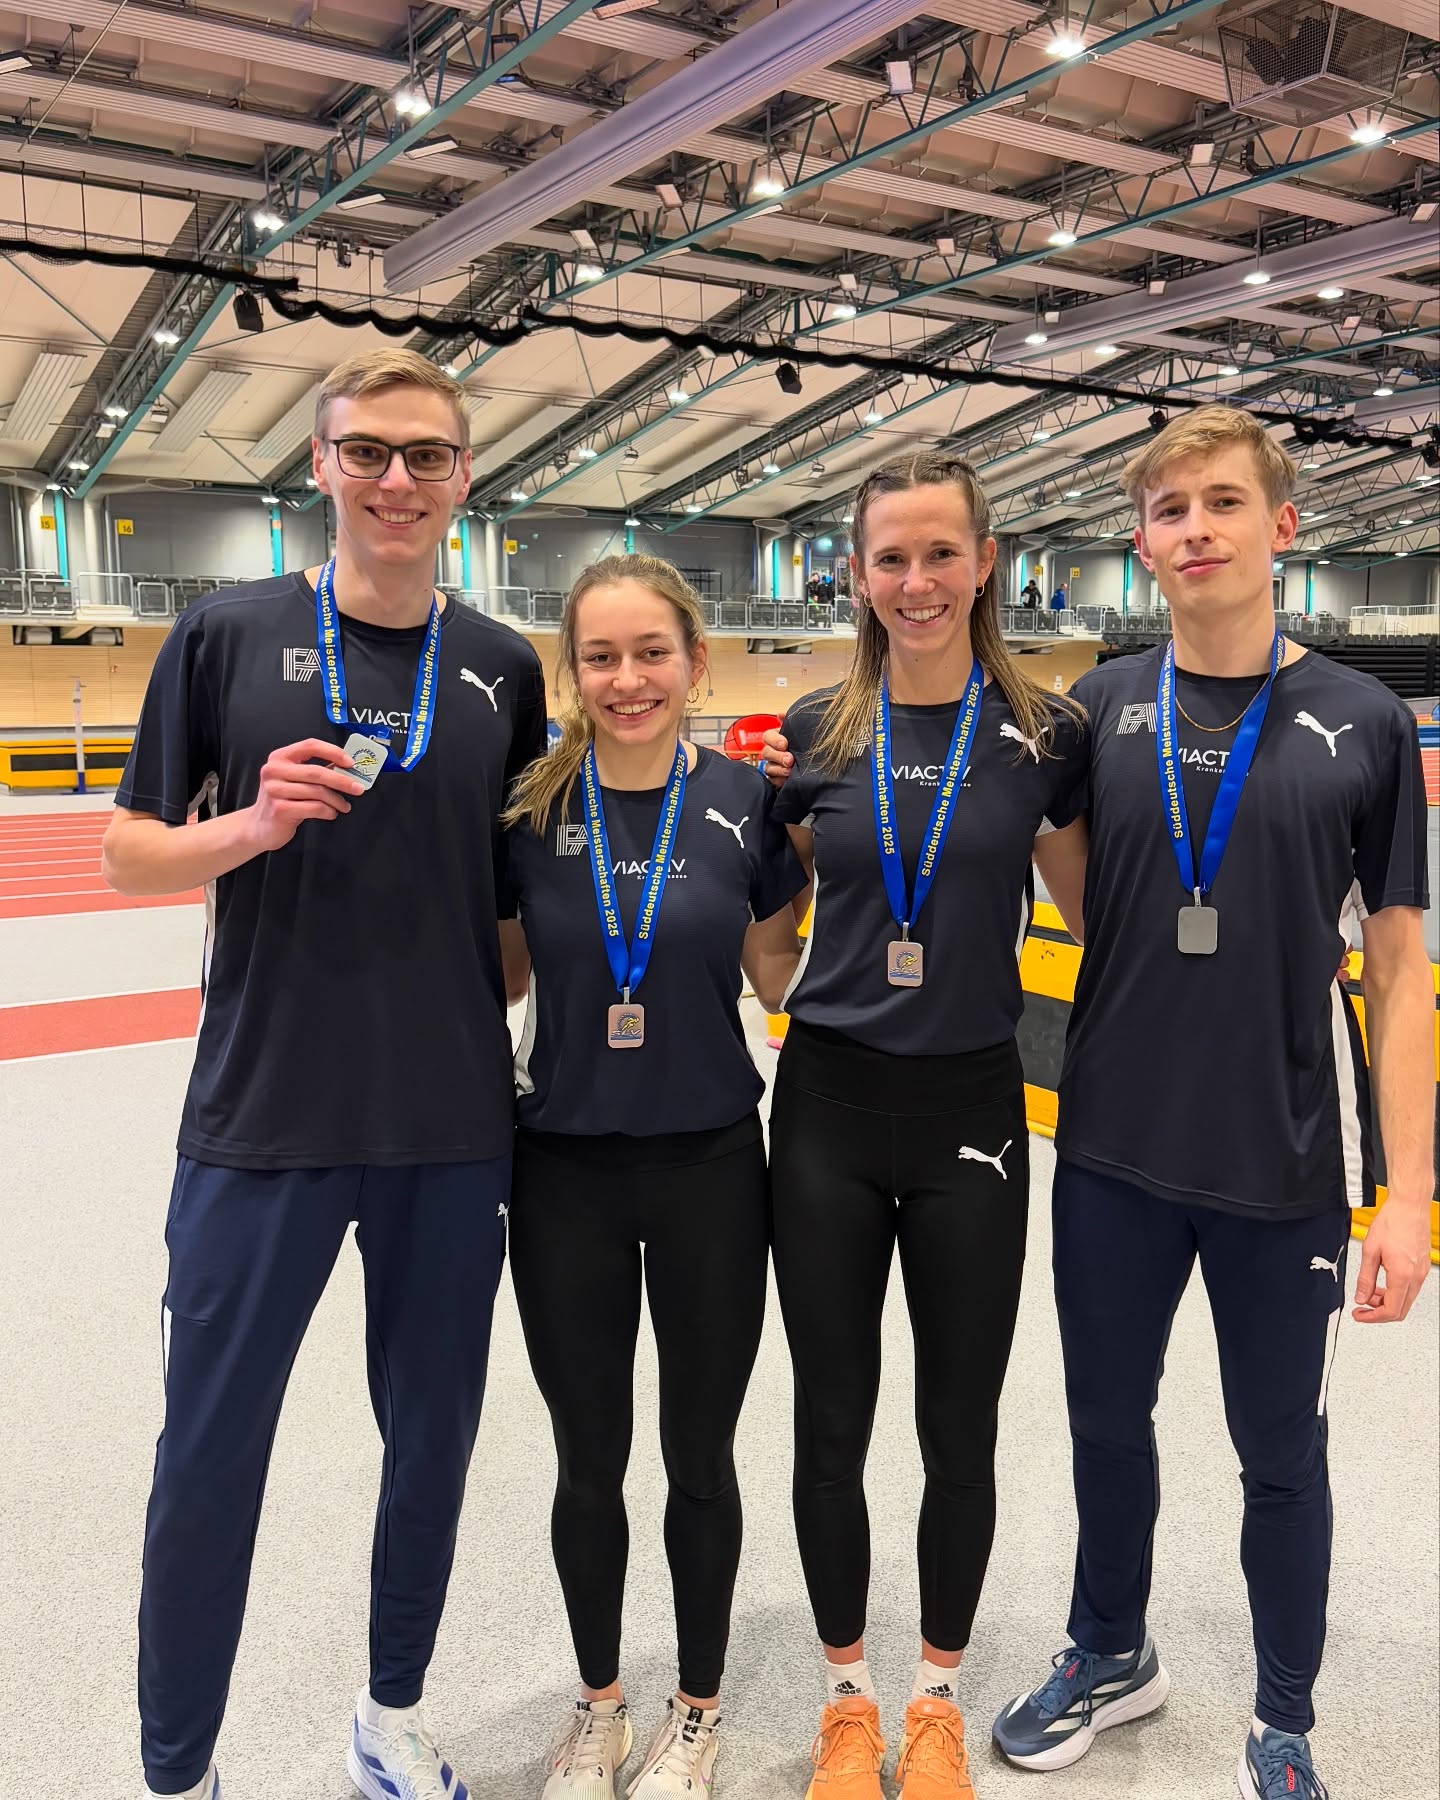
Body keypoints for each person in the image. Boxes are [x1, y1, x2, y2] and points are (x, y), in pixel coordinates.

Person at [102, 347, 547, 1800]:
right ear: (321, 465)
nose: (397, 480)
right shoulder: (224, 635)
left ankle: (391, 1714)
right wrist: (247, 830)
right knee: (206, 1458)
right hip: (261, 1120)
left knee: (431, 1447)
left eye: (427, 455)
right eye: (368, 452)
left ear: (464, 475)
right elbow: (127, 853)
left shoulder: (503, 666)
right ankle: (178, 1770)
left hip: (449, 1130)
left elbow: (507, 912)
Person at [991, 405, 1433, 1800]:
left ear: (1282, 526)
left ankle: (1283, 1720)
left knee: (1281, 1458)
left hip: (1281, 1166)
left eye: (1225, 503)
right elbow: (1071, 881)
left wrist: (1408, 1197)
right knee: (1104, 1427)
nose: (1197, 530)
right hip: (1112, 1155)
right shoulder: (1100, 707)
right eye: (1171, 509)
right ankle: (1108, 1652)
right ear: (1142, 541)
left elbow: (1400, 973)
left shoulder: (1365, 722)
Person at [759, 453, 1089, 1799]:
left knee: (960, 1426)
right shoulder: (815, 729)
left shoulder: (1042, 734)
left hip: (971, 1115)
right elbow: (771, 905)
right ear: (857, 574)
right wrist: (786, 996)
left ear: (986, 562)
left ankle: (936, 1698)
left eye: (941, 552)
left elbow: (1096, 911)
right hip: (827, 1113)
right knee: (830, 1422)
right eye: (890, 557)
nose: (916, 582)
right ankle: (847, 1699)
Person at [496, 554, 807, 1800]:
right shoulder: (527, 811)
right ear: (572, 673)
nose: (627, 679)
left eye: (651, 653)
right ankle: (599, 1709)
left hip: (710, 1170)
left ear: (695, 661)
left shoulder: (744, 803)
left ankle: (697, 1711)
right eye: (601, 657)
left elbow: (780, 978)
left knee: (700, 1458)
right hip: (561, 1170)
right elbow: (498, 977)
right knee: (587, 1459)